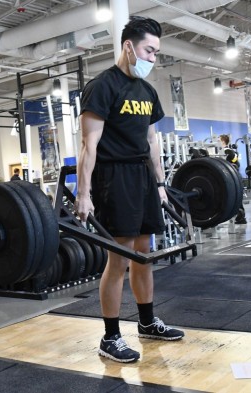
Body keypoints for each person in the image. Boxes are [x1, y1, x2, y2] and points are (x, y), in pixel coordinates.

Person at [75, 16, 184, 364]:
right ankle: (110, 338)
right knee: (119, 258)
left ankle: (147, 322)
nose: (153, 58)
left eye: (156, 53)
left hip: (142, 179)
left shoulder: (147, 91)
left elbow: (152, 140)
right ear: (128, 46)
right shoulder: (102, 86)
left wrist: (160, 183)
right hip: (113, 177)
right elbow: (88, 145)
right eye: (149, 51)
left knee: (144, 254)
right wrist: (83, 193)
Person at [219, 134, 247, 224]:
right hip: (233, 178)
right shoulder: (231, 152)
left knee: (234, 198)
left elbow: (235, 164)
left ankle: (240, 217)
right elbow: (236, 164)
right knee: (236, 198)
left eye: (219, 140)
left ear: (223, 141)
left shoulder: (227, 152)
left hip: (229, 179)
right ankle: (240, 217)